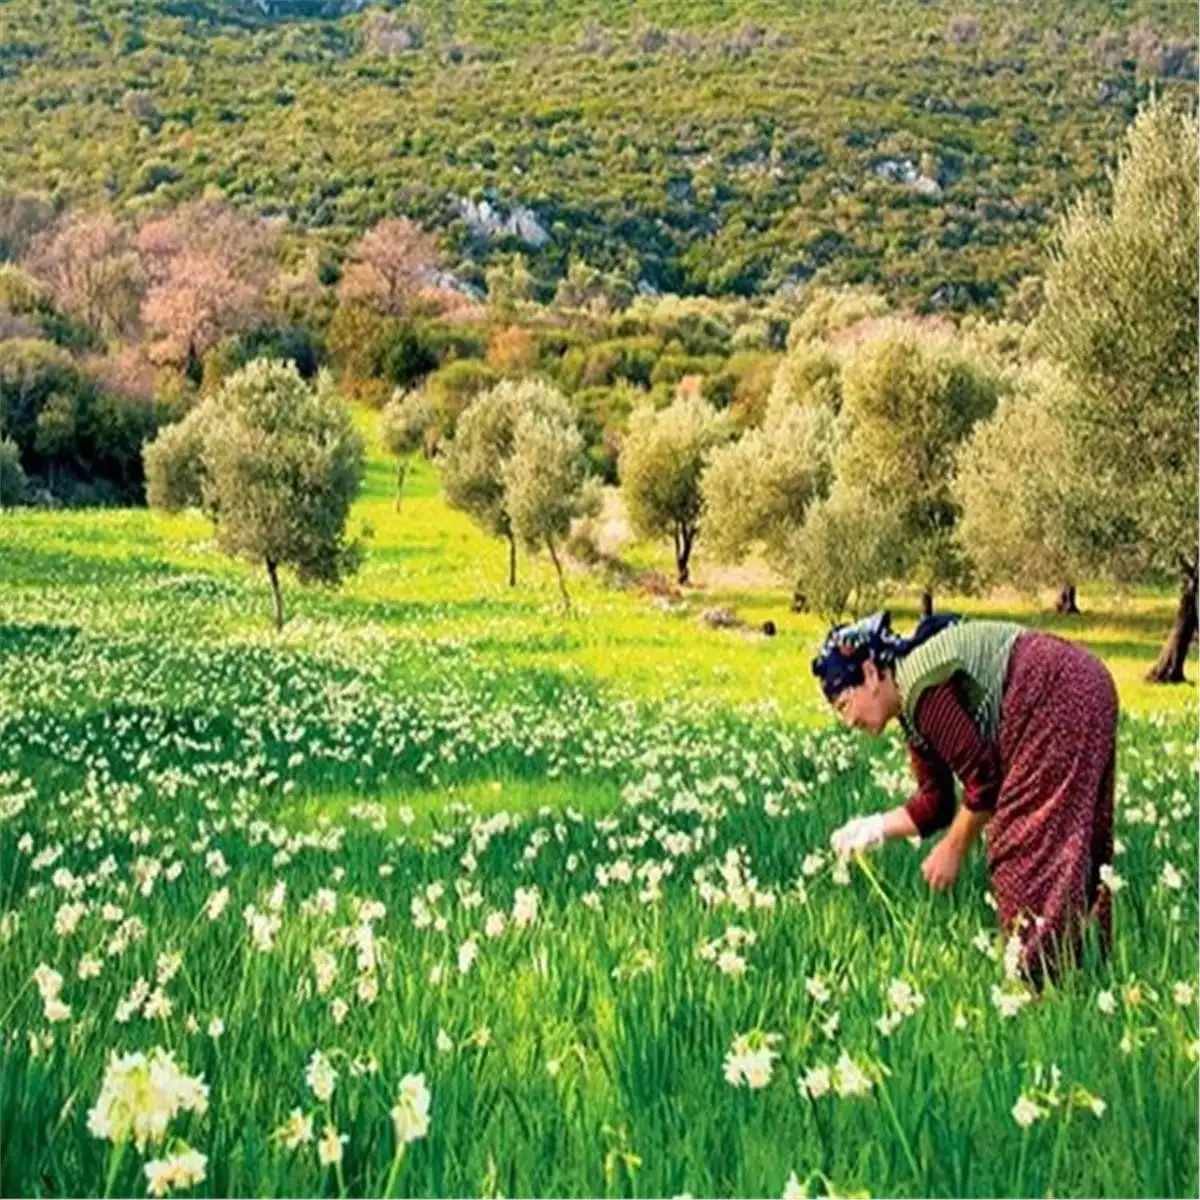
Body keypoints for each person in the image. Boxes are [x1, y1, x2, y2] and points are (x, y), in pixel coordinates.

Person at [811, 609, 1118, 986]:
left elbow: (984, 782)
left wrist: (954, 848)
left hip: (1055, 689)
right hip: (1082, 681)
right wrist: (871, 829)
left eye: (844, 704)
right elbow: (935, 804)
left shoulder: (922, 687)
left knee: (1022, 845)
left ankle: (1036, 989)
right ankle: (1086, 971)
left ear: (871, 674)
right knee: (1078, 835)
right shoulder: (915, 705)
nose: (848, 721)